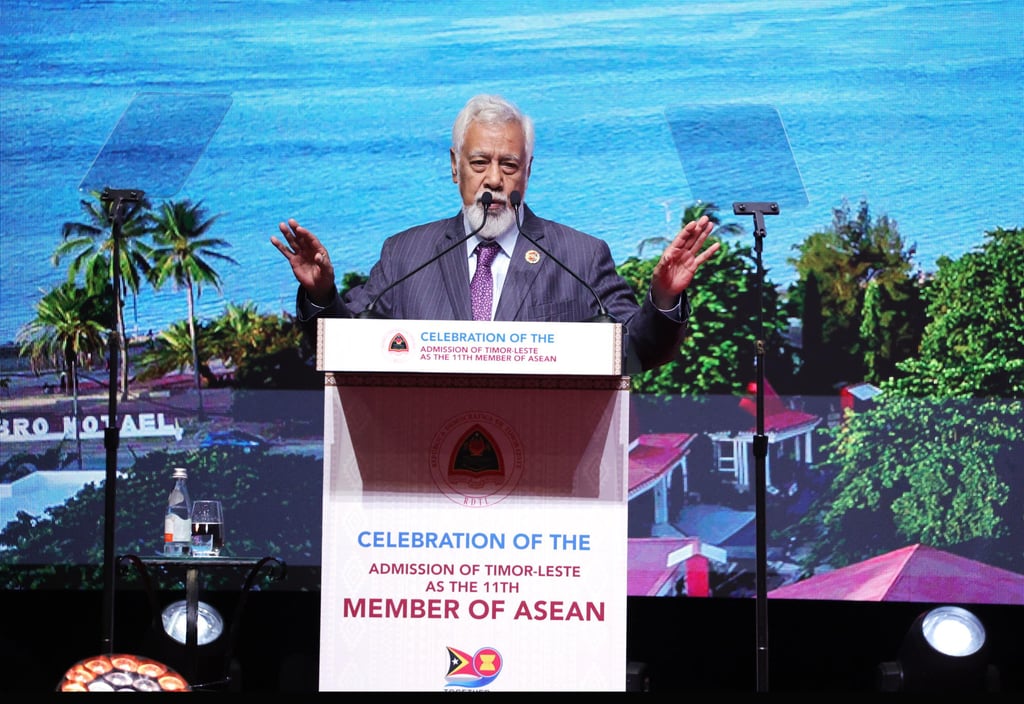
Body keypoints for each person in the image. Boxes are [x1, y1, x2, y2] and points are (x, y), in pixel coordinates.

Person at [271, 93, 720, 372]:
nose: (493, 180)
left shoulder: (580, 257)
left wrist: (663, 299)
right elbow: (343, 342)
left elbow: (638, 350)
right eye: (479, 163)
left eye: (508, 165)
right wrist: (320, 295)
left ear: (527, 173)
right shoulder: (406, 255)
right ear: (454, 168)